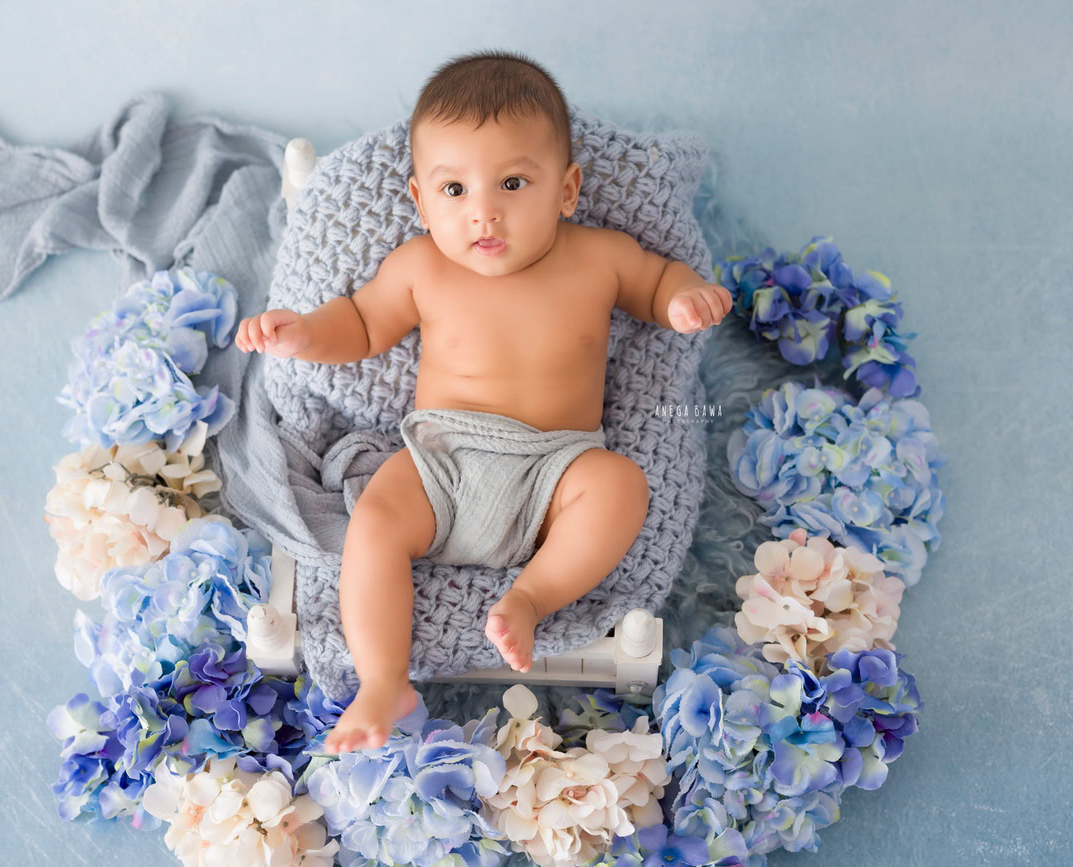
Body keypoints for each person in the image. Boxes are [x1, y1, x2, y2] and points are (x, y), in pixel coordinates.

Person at [234, 49, 732, 753]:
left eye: (513, 182)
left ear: (566, 189)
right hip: (442, 458)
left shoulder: (598, 256)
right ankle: (382, 678)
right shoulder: (420, 268)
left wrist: (682, 298)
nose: (484, 213)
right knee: (373, 520)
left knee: (621, 486)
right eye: (455, 191)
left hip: (554, 469)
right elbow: (362, 324)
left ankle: (530, 595)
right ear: (420, 200)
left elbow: (656, 281)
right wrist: (304, 333)